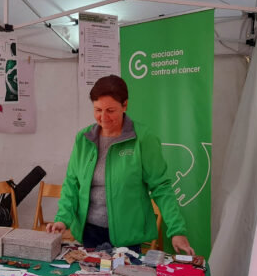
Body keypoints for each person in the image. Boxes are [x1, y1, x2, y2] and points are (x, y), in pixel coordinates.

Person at [46, 75, 195, 255]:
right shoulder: (83, 139)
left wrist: (177, 230)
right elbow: (72, 183)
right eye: (98, 109)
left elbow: (161, 187)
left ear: (125, 105)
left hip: (127, 237)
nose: (103, 117)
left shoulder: (143, 139)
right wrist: (62, 219)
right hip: (89, 233)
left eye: (110, 110)